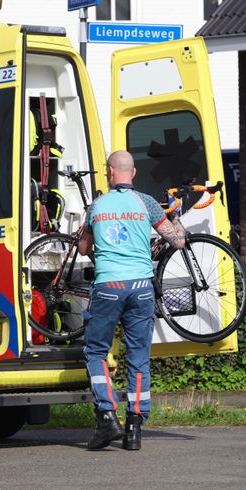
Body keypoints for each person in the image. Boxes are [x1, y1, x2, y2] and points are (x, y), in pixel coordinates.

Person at [78, 150, 185, 451]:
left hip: (108, 285)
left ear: (110, 172)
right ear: (133, 173)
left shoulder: (96, 205)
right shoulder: (147, 203)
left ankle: (107, 415)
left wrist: (89, 232)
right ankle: (134, 428)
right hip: (141, 288)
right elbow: (177, 241)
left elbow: (85, 247)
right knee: (138, 357)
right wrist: (176, 217)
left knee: (96, 351)